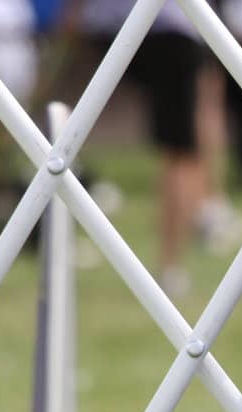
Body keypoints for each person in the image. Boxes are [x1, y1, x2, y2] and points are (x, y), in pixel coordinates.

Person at [68, 0, 212, 298]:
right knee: (181, 153)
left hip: (109, 27)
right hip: (166, 29)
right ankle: (171, 266)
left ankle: (200, 220)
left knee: (184, 146)